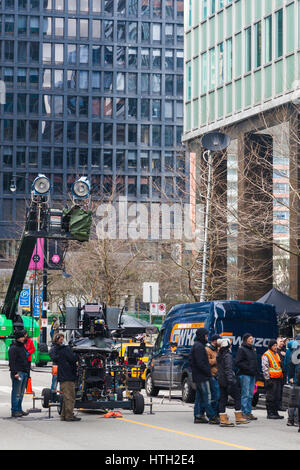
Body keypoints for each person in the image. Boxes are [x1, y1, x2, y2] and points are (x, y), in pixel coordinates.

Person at [217, 338, 250, 427]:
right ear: (229, 346)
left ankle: (223, 419)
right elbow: (228, 369)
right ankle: (238, 417)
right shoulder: (228, 355)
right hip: (228, 381)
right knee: (237, 397)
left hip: (221, 380)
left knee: (223, 399)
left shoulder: (219, 355)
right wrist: (231, 381)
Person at [190, 328, 219, 425]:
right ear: (202, 336)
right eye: (206, 335)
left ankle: (198, 415)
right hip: (202, 376)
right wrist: (207, 372)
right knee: (207, 396)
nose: (207, 337)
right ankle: (212, 416)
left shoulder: (198, 345)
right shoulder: (199, 347)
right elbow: (200, 363)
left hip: (199, 375)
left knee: (200, 397)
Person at [49, 333, 81, 422]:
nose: (62, 341)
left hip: (63, 375)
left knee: (66, 396)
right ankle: (69, 416)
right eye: (61, 339)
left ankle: (64, 415)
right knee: (70, 397)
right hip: (68, 376)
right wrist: (77, 355)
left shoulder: (55, 350)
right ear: (57, 339)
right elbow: (73, 359)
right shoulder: (64, 349)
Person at [235, 333, 259, 420]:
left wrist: (256, 372)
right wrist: (248, 368)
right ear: (245, 340)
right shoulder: (242, 349)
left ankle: (249, 412)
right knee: (245, 394)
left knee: (250, 394)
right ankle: (244, 412)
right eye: (250, 338)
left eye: (252, 338)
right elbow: (238, 362)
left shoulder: (252, 349)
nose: (252, 340)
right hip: (245, 374)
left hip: (252, 374)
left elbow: (255, 362)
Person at [8, 330, 30, 418]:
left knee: (21, 393)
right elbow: (12, 362)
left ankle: (19, 409)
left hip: (24, 372)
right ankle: (14, 410)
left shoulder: (22, 347)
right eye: (21, 337)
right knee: (16, 393)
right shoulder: (13, 348)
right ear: (17, 338)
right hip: (18, 372)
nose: (23, 338)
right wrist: (14, 373)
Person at [262, 339, 284, 419]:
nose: (275, 347)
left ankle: (275, 412)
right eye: (274, 346)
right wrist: (267, 379)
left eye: (275, 345)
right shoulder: (267, 354)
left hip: (278, 378)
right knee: (271, 396)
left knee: (276, 396)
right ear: (270, 346)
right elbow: (265, 367)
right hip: (271, 379)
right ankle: (270, 413)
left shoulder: (276, 354)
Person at [205, 334, 221, 417]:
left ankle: (217, 413)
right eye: (218, 340)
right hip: (212, 375)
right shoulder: (208, 349)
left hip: (218, 374)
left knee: (219, 395)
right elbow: (208, 362)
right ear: (214, 341)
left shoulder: (218, 349)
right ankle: (212, 414)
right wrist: (217, 358)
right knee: (215, 395)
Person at [285, 340, 300, 426]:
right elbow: (291, 365)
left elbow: (290, 365)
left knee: (293, 400)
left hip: (295, 379)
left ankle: (291, 420)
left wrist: (290, 377)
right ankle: (295, 420)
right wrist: (291, 377)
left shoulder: (295, 351)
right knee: (295, 401)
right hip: (296, 379)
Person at [277, 336, 287, 411]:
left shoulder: (284, 351)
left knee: (281, 390)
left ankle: (280, 405)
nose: (282, 343)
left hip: (283, 373)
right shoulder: (276, 352)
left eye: (283, 342)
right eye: (280, 341)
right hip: (278, 374)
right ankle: (278, 405)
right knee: (277, 390)